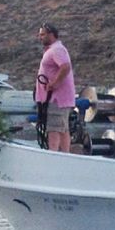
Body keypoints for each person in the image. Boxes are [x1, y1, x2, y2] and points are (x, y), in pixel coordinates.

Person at [35, 23, 76, 153]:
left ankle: (53, 154)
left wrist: (55, 83)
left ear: (51, 35)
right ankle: (65, 154)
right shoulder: (53, 49)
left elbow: (65, 67)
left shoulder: (57, 50)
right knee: (63, 128)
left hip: (56, 98)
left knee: (54, 128)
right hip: (56, 98)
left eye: (42, 34)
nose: (40, 37)